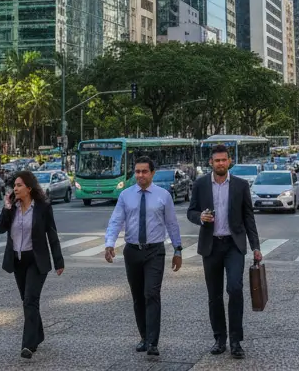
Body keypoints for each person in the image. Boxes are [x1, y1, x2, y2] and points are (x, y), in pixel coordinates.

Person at [103, 156, 183, 357]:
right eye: (137, 172)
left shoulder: (163, 196)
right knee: (138, 296)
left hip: (155, 251)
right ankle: (144, 337)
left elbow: (172, 224)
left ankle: (153, 342)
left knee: (151, 294)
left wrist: (178, 249)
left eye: (144, 171)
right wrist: (109, 244)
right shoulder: (125, 195)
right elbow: (115, 221)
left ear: (152, 173)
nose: (140, 175)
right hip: (132, 250)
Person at [188, 144, 263, 359]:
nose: (220, 163)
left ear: (229, 161)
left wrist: (256, 246)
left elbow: (249, 217)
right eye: (216, 160)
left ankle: (236, 341)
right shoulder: (201, 184)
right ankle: (219, 339)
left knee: (235, 289)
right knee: (214, 295)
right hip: (210, 245)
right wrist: (200, 218)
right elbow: (191, 211)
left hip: (234, 245)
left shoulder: (240, 185)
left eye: (224, 160)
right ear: (211, 163)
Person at [0, 171, 65, 360]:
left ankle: (28, 344)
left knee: (30, 300)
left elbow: (52, 234)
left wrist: (59, 261)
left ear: (29, 188)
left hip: (36, 260)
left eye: (19, 185)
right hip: (17, 261)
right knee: (28, 301)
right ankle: (39, 333)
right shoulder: (13, 207)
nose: (15, 189)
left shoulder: (42, 207)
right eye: (14, 186)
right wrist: (7, 208)